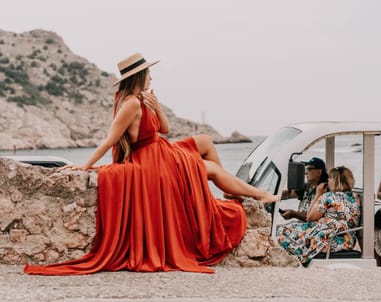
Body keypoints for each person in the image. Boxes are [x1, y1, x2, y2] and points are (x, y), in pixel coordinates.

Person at [24, 53, 279, 275]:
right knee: (210, 169)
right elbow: (110, 139)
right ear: (139, 76)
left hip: (162, 150)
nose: (151, 79)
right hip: (151, 160)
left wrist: (157, 108)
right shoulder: (131, 104)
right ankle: (258, 194)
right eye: (148, 74)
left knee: (204, 141)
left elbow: (165, 130)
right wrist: (84, 165)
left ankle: (225, 193)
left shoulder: (144, 99)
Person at [276, 166, 361, 267]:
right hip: (347, 240)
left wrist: (318, 194)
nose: (328, 180)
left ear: (335, 181)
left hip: (328, 241)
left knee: (282, 231)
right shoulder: (354, 198)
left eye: (330, 178)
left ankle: (292, 260)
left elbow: (309, 217)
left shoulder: (329, 197)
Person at [280, 157, 329, 221]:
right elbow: (289, 194)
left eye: (309, 169)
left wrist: (294, 214)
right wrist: (272, 197)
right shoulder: (308, 186)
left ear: (319, 172)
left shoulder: (325, 189)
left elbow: (314, 217)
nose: (306, 173)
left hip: (312, 227)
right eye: (306, 169)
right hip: (301, 224)